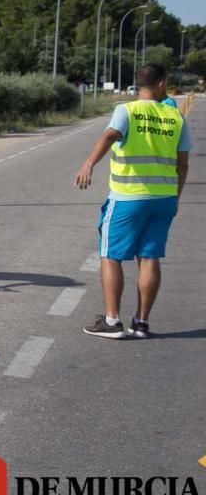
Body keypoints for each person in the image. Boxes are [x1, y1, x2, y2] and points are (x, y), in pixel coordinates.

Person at [74, 64, 191, 339]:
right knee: (149, 256)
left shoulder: (127, 110)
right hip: (163, 198)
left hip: (128, 196)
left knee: (111, 255)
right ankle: (140, 323)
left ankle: (112, 321)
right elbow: (183, 164)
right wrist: (176, 197)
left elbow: (110, 135)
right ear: (161, 84)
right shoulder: (175, 116)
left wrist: (88, 163)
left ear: (140, 84)